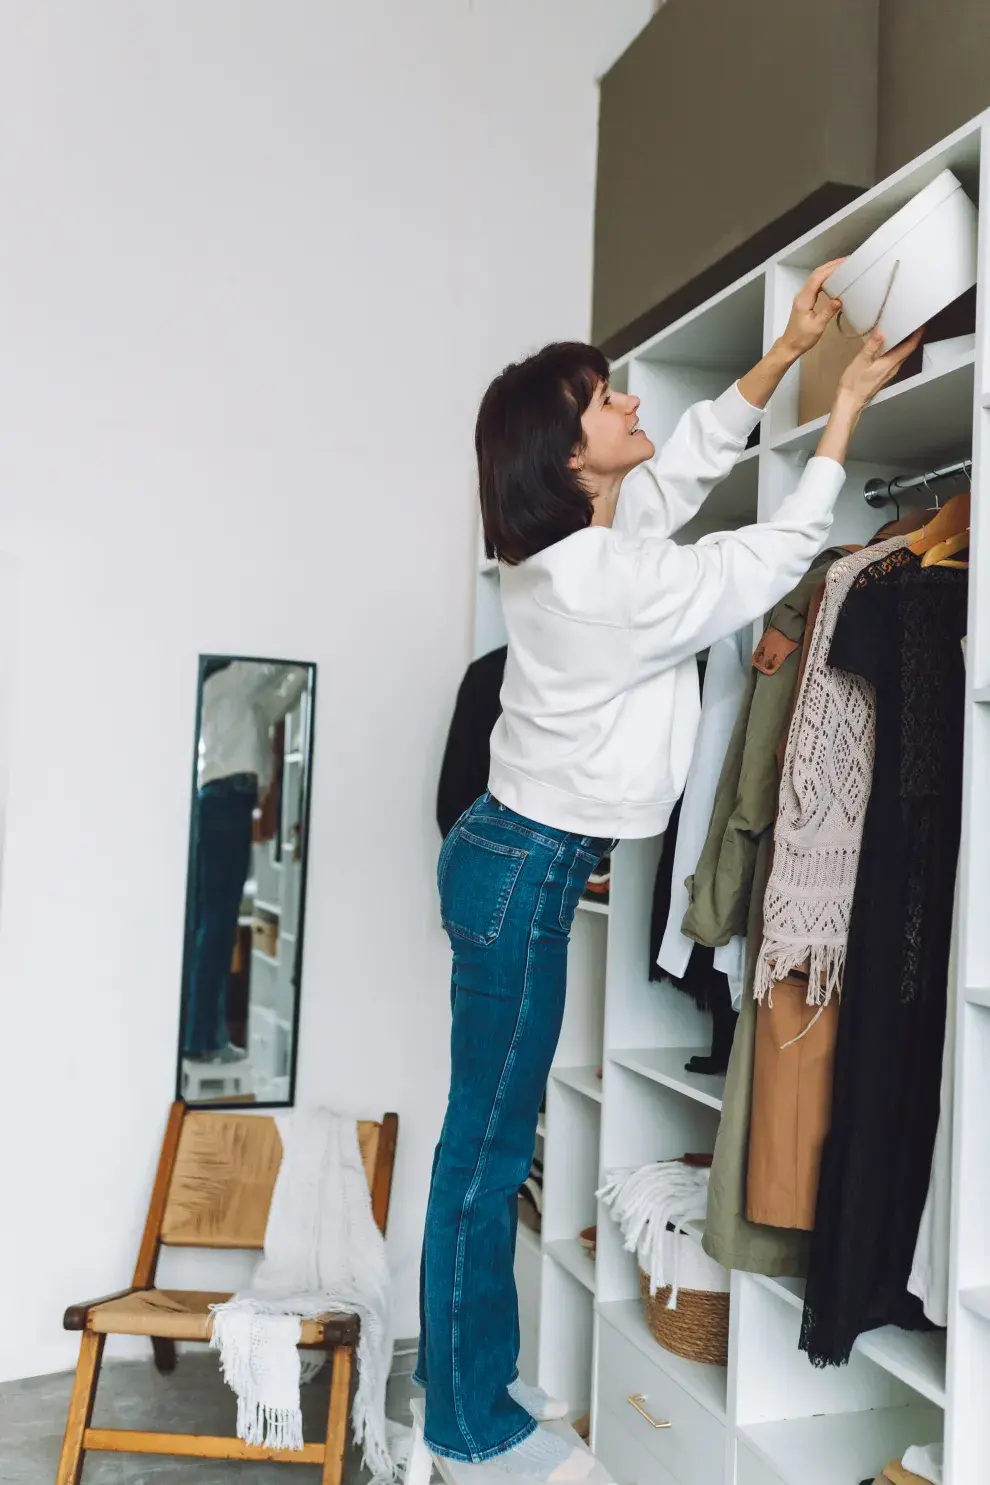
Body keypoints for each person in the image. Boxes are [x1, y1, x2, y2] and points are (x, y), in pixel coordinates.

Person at [415, 263, 923, 1481]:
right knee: (482, 1159)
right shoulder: (597, 584)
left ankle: (473, 1387)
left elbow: (690, 457)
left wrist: (789, 349)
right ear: (569, 452)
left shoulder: (582, 543)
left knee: (480, 1149)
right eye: (605, 400)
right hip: (523, 873)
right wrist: (842, 404)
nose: (630, 402)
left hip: (518, 861)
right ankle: (467, 1424)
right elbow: (761, 561)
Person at [182, 660, 309, 1062]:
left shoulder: (235, 698)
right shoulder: (234, 677)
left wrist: (307, 673)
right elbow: (275, 665)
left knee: (211, 924)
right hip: (227, 801)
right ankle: (204, 1040)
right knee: (217, 925)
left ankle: (202, 1036)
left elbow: (276, 701)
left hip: (221, 801)